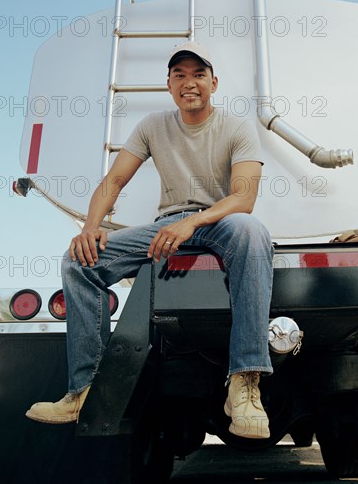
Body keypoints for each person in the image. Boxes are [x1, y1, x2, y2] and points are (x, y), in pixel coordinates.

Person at [26, 41, 274, 439]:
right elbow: (114, 181)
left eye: (198, 75)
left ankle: (245, 383)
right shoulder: (152, 126)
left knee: (252, 230)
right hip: (166, 225)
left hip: (219, 220)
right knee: (79, 262)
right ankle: (85, 391)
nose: (188, 83)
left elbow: (243, 199)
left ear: (214, 82)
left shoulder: (236, 127)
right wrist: (91, 227)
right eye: (179, 75)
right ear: (169, 84)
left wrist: (192, 223)